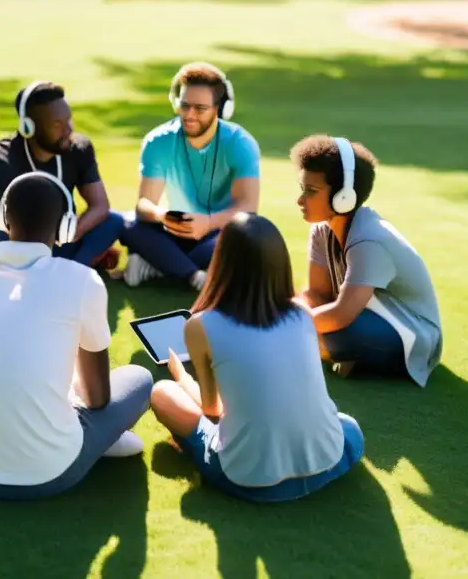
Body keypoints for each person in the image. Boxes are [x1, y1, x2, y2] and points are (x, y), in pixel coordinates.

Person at [0, 172, 153, 500]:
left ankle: (87, 432)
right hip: (47, 472)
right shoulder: (81, 281)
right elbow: (97, 399)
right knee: (139, 378)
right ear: (66, 227)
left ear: (3, 217)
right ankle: (96, 438)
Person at [150, 212, 363, 503]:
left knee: (162, 394)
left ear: (222, 263)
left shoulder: (201, 326)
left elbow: (211, 411)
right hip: (328, 461)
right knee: (348, 426)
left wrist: (182, 377)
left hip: (250, 480)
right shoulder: (302, 314)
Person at [291, 135, 443, 385]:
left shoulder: (370, 240)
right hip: (363, 314)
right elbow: (317, 293)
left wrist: (283, 326)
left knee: (339, 335)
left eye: (311, 191)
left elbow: (341, 315)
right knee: (307, 322)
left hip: (413, 335)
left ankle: (346, 353)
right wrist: (289, 312)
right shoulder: (322, 229)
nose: (300, 200)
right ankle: (346, 355)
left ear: (344, 196)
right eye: (302, 189)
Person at [120, 62, 260, 291]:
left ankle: (156, 266)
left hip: (218, 230)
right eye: (184, 106)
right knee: (126, 223)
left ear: (220, 109)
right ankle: (195, 276)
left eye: (200, 108)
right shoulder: (158, 141)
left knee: (249, 236)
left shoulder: (241, 143)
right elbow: (144, 205)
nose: (189, 115)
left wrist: (208, 222)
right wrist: (162, 214)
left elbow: (248, 207)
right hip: (175, 228)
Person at [0, 80, 122, 270]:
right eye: (58, 124)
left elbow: (100, 205)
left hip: (60, 241)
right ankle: (63, 268)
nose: (69, 130)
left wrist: (72, 232)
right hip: (18, 245)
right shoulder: (1, 161)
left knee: (113, 221)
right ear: (29, 128)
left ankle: (74, 269)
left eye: (69, 119)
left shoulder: (79, 148)